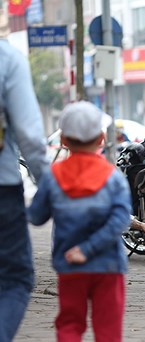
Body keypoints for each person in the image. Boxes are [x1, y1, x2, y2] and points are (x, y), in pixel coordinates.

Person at [27, 101, 132, 341]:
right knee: (108, 329)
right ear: (102, 138)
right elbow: (120, 221)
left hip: (70, 266)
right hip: (109, 267)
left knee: (70, 325)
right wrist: (90, 249)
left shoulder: (54, 176)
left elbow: (36, 216)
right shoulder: (113, 178)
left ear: (63, 139)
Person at [0, 15, 50, 341]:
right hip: (2, 191)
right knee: (14, 279)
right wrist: (48, 183)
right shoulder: (7, 59)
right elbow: (30, 138)